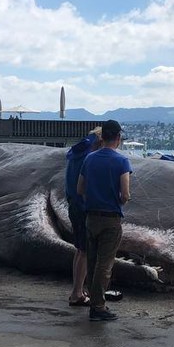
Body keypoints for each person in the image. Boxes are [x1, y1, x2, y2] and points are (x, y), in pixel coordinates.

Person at [77, 120, 131, 322]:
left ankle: (93, 301)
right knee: (104, 265)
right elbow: (125, 194)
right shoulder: (122, 161)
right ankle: (98, 307)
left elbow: (80, 189)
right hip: (110, 219)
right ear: (118, 138)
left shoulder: (89, 159)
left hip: (91, 217)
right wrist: (118, 199)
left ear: (102, 137)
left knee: (92, 262)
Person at [64, 127, 102, 306]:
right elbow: (85, 186)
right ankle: (77, 293)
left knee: (80, 250)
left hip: (73, 205)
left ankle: (77, 289)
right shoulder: (89, 157)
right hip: (83, 207)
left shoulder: (76, 153)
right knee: (86, 251)